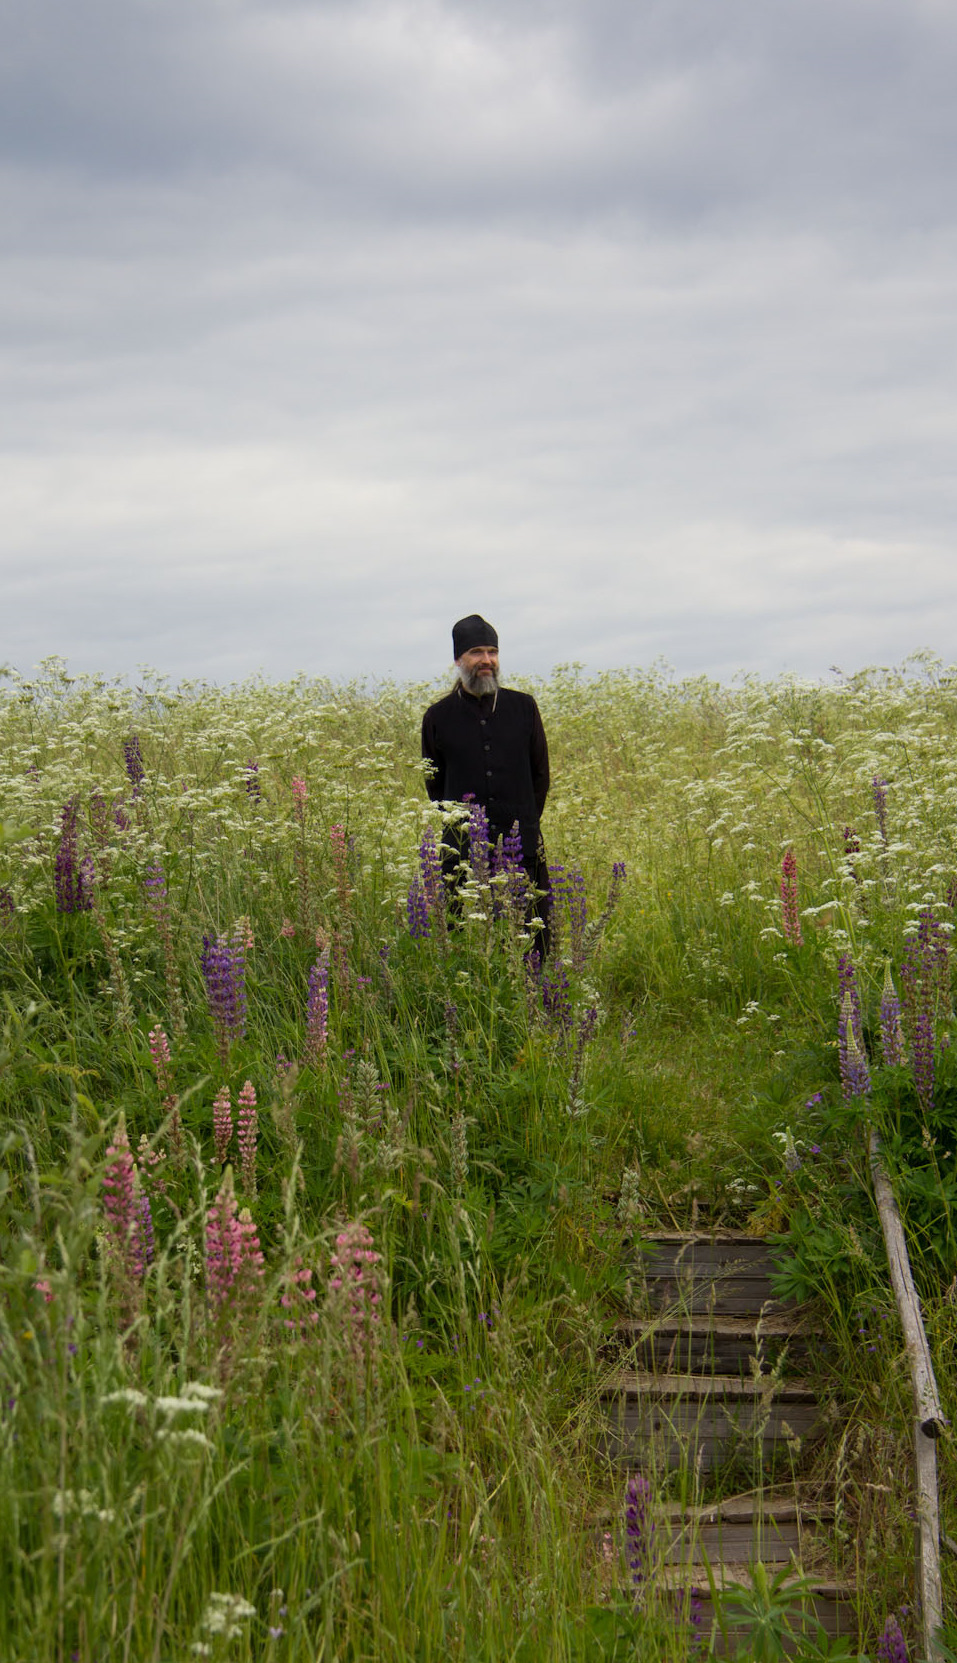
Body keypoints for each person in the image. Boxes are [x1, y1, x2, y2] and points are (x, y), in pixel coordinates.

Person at [421, 613, 551, 947]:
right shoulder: (437, 717)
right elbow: (434, 784)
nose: (486, 660)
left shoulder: (524, 708)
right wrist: (461, 824)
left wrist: (524, 821)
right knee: (465, 941)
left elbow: (540, 775)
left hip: (519, 845)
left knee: (530, 941)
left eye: (492, 652)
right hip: (463, 847)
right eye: (477, 652)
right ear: (458, 660)